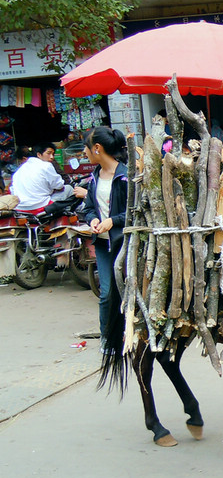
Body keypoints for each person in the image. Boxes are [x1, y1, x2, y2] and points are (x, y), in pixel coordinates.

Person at [82, 127, 128, 346]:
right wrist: (92, 219)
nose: (85, 152)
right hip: (102, 244)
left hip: (123, 243)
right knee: (107, 294)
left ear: (97, 148)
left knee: (124, 292)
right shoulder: (94, 177)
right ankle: (107, 341)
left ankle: (128, 337)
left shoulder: (125, 177)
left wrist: (113, 221)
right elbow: (89, 207)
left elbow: (136, 211)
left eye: (86, 148)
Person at [11, 143, 86, 213]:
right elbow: (59, 186)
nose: (52, 157)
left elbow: (13, 190)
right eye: (48, 153)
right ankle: (85, 210)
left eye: (53, 154)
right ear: (39, 154)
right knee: (69, 188)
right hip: (40, 207)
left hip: (21, 208)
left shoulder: (19, 170)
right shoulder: (46, 166)